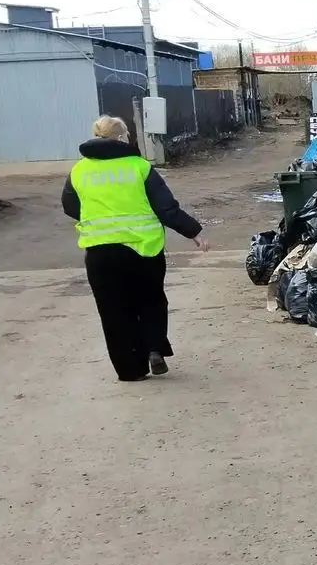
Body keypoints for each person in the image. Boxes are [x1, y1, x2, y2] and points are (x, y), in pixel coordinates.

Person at [61, 116, 209, 382]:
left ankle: (130, 370)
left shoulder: (79, 171)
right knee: (150, 301)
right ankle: (154, 348)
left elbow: (70, 207)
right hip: (144, 251)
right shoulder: (139, 167)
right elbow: (165, 207)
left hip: (100, 253)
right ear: (121, 137)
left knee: (113, 311)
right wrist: (194, 232)